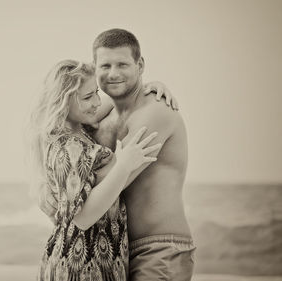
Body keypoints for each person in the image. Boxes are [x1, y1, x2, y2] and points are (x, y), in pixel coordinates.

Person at [40, 28, 195, 280]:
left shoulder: (155, 112)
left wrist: (65, 196)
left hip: (158, 248)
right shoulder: (102, 115)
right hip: (115, 252)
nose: (113, 74)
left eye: (123, 64)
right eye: (105, 65)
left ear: (140, 65)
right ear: (95, 67)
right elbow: (62, 131)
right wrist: (43, 187)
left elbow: (99, 188)